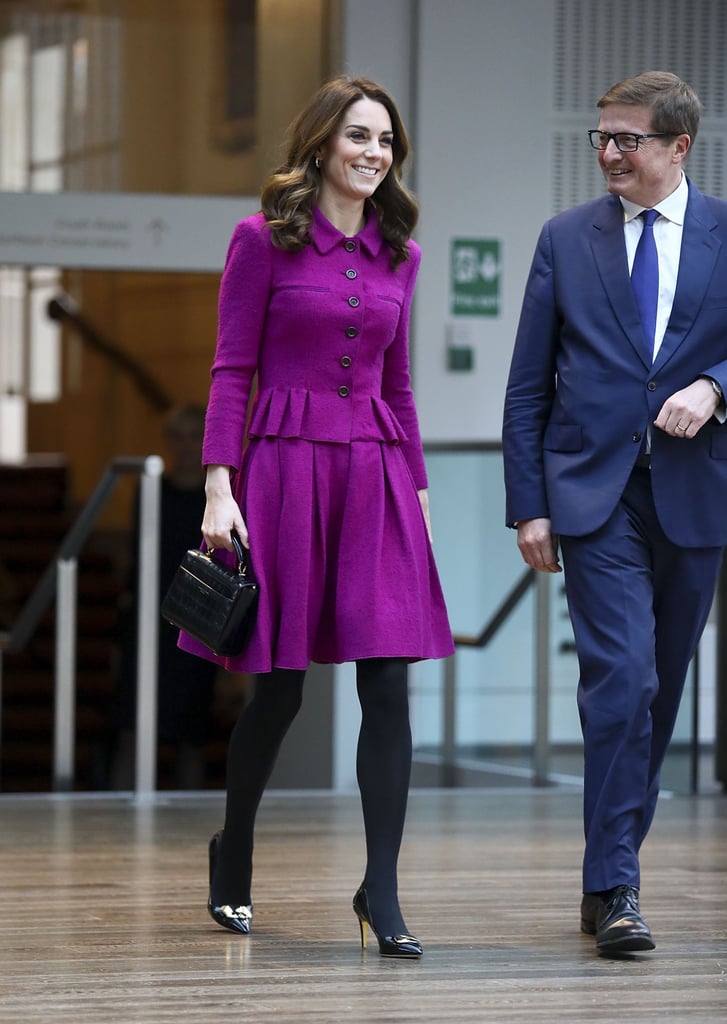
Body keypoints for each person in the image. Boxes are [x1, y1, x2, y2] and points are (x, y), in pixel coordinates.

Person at [179, 75, 454, 957]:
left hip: (374, 477)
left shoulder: (402, 256)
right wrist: (220, 486)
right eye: (358, 136)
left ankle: (381, 887)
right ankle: (237, 849)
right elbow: (230, 371)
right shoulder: (260, 241)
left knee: (389, 680)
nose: (373, 152)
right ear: (322, 144)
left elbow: (400, 389)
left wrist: (416, 498)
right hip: (284, 470)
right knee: (281, 686)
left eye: (385, 141)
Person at [502, 71, 727, 954]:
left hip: (693, 492)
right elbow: (527, 386)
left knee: (658, 694)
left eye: (626, 139)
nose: (607, 152)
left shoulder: (724, 232)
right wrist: (528, 504)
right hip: (592, 499)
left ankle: (608, 876)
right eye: (600, 137)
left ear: (677, 147)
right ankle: (616, 885)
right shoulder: (565, 239)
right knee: (623, 682)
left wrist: (714, 387)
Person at [111, 404, 218, 789]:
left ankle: (188, 826)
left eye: (195, 436)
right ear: (169, 442)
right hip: (149, 618)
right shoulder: (151, 490)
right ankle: (119, 819)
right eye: (180, 436)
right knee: (131, 728)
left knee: (191, 734)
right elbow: (137, 560)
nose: (187, 445)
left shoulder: (219, 501)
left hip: (197, 621)